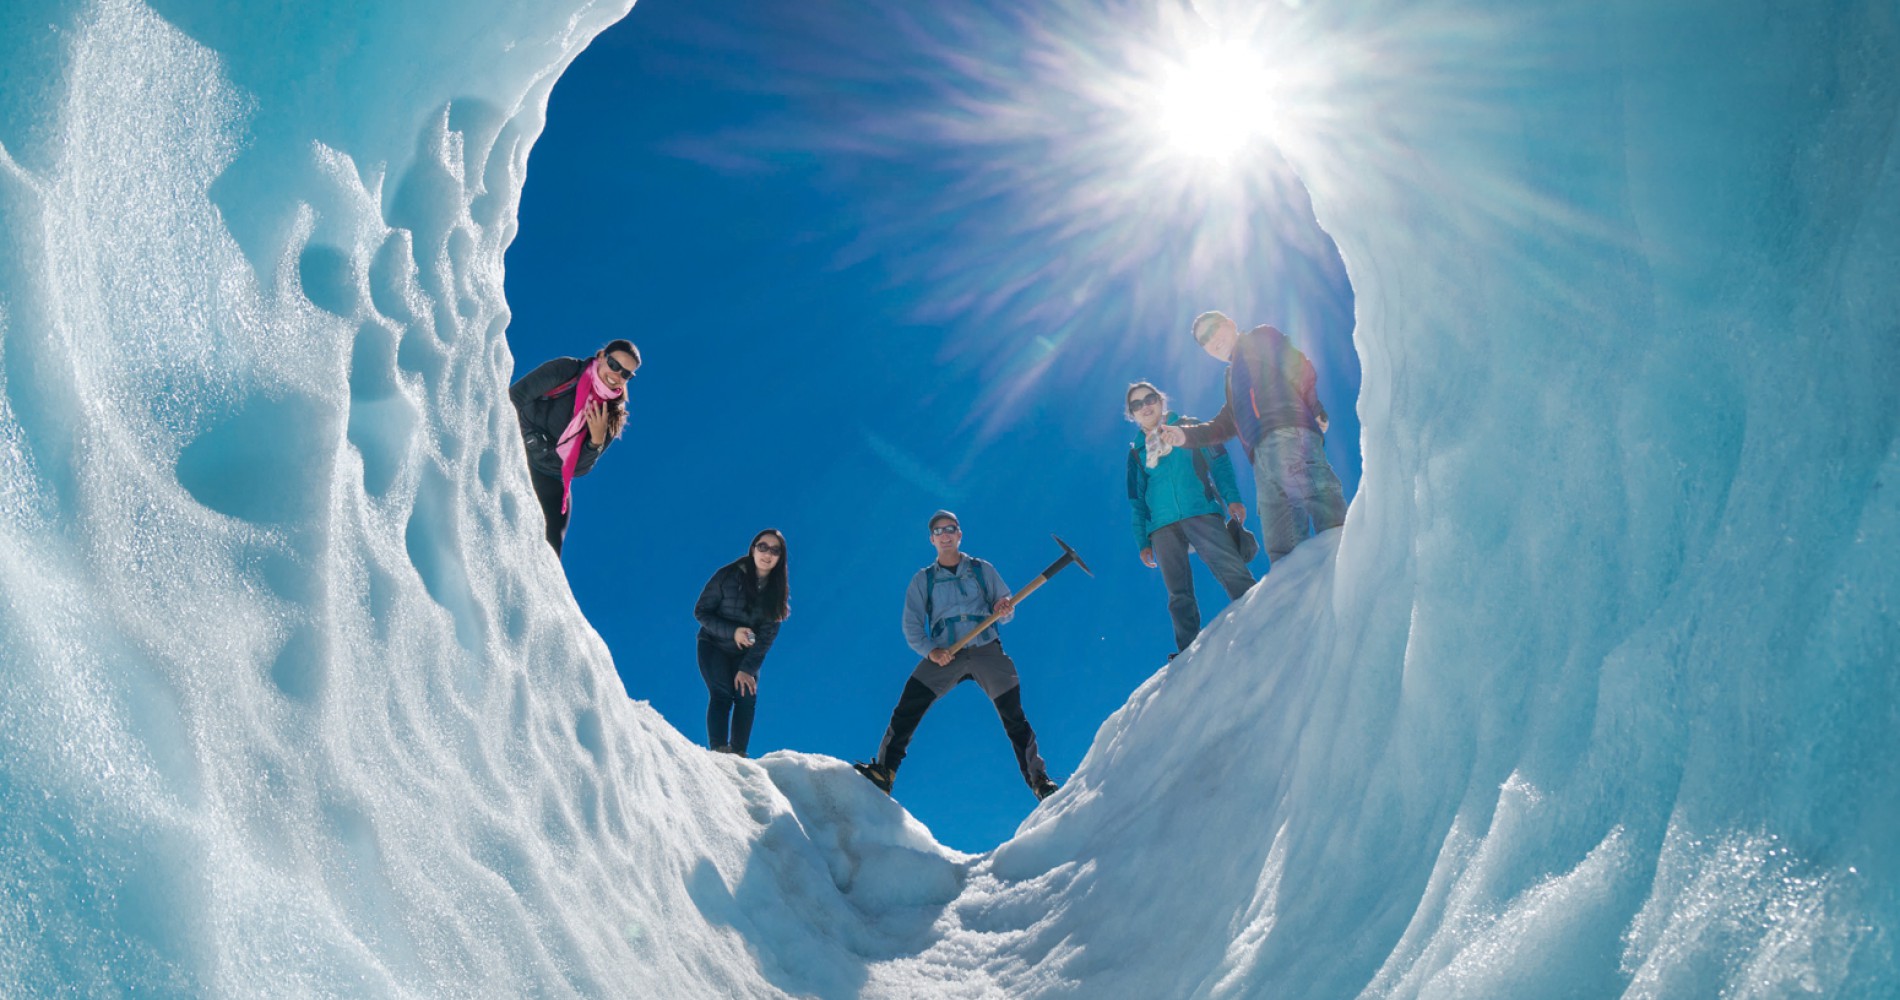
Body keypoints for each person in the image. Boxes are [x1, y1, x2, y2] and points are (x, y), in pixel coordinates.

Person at [855, 511, 1059, 802]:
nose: (945, 535)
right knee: (908, 706)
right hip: (945, 654)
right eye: (938, 531)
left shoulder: (981, 569)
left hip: (986, 650)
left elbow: (1006, 607)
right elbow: (911, 625)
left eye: (950, 529)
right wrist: (931, 652)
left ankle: (1040, 781)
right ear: (932, 539)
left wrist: (1003, 607)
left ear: (959, 534)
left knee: (1014, 716)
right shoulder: (923, 580)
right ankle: (884, 772)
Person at [1157, 312, 1346, 562]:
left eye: (1213, 329)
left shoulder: (1259, 339)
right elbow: (1223, 425)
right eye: (1204, 340)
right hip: (1261, 460)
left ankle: (1354, 569)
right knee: (1284, 552)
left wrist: (1314, 408)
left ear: (1231, 324)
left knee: (1328, 517)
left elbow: (1299, 367)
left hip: (1288, 434)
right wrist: (1185, 436)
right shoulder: (1231, 378)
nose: (1212, 340)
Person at [1125, 382, 1256, 653]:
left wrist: (1232, 497)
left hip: (1200, 510)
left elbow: (1219, 462)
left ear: (1161, 401)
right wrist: (1143, 541)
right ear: (1132, 414)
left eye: (1149, 399)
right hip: (1161, 526)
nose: (1145, 406)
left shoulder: (1189, 427)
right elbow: (1137, 500)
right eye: (1137, 404)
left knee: (1229, 566)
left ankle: (1261, 612)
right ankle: (1187, 654)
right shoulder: (1136, 452)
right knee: (1178, 593)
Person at [508, 340, 639, 555]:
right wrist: (520, 439)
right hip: (516, 449)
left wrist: (595, 442)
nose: (617, 375)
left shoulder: (612, 415)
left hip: (551, 476)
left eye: (626, 374)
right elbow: (514, 398)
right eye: (614, 365)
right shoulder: (567, 371)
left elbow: (578, 469)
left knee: (551, 547)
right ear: (601, 357)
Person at [693, 529, 791, 757]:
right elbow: (701, 612)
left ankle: (738, 755)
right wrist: (733, 632)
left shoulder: (777, 593)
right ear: (753, 549)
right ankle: (719, 751)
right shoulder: (727, 576)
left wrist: (747, 669)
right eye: (763, 547)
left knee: (746, 696)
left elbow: (765, 638)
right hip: (713, 644)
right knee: (722, 694)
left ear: (780, 558)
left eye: (775, 550)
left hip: (745, 652)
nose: (767, 554)